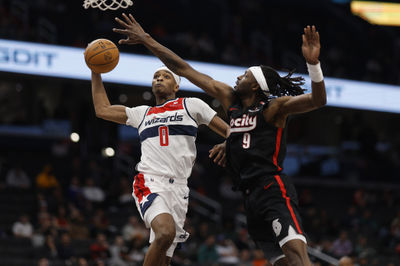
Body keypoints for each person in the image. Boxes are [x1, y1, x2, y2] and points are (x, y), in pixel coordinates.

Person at [113, 13, 326, 266]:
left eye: (245, 75)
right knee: (280, 263)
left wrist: (313, 65)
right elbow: (184, 69)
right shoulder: (231, 102)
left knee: (296, 256)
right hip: (249, 195)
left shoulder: (273, 109)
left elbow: (317, 100)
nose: (238, 77)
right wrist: (147, 40)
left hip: (272, 188)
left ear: (256, 86)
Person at [87, 55, 230, 265]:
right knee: (165, 233)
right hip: (150, 181)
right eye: (155, 77)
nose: (159, 79)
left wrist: (229, 143)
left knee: (165, 259)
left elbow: (229, 131)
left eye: (165, 76)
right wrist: (95, 70)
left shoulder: (191, 105)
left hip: (180, 189)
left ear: (177, 84)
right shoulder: (143, 113)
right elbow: (102, 110)